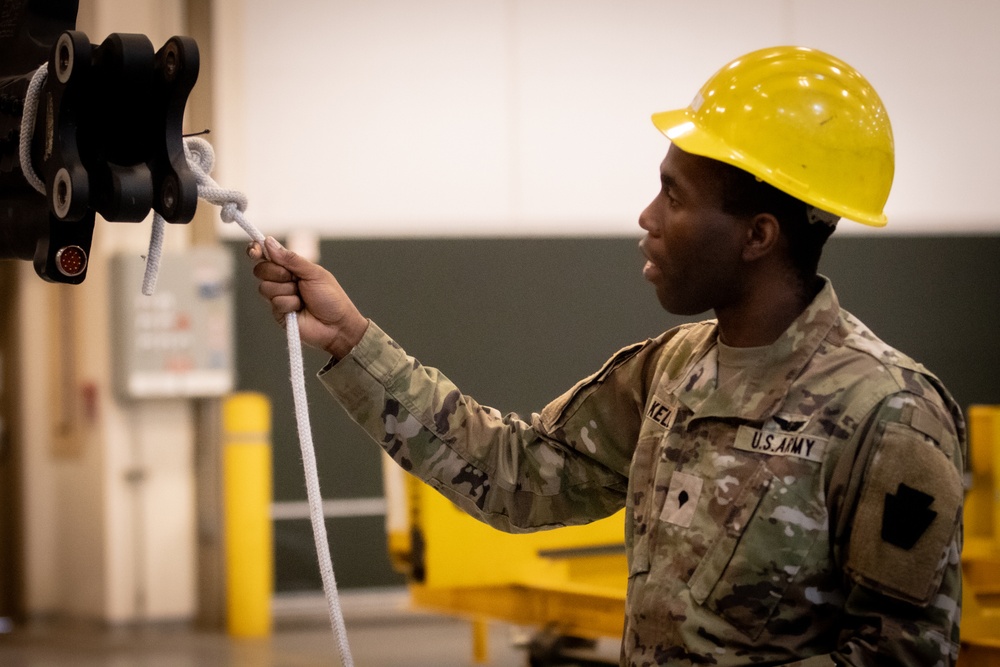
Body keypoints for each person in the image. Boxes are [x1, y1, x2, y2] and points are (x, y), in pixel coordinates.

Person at [250, 46, 966, 666]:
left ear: (758, 235)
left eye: (673, 195)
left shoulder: (891, 414)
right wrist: (351, 339)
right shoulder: (670, 372)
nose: (647, 218)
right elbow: (513, 472)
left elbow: (900, 652)